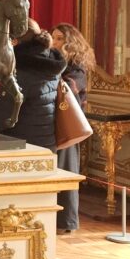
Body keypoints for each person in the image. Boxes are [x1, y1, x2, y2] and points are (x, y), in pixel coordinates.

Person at [0, 19, 66, 151]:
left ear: (14, 41)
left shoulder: (19, 71)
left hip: (21, 148)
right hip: (46, 145)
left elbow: (1, 119)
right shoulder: (50, 61)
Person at [51, 23, 96, 233]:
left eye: (59, 38)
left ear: (70, 42)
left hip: (68, 126)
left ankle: (66, 222)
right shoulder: (53, 61)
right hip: (52, 123)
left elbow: (67, 90)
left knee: (66, 171)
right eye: (53, 37)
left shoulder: (76, 67)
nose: (54, 42)